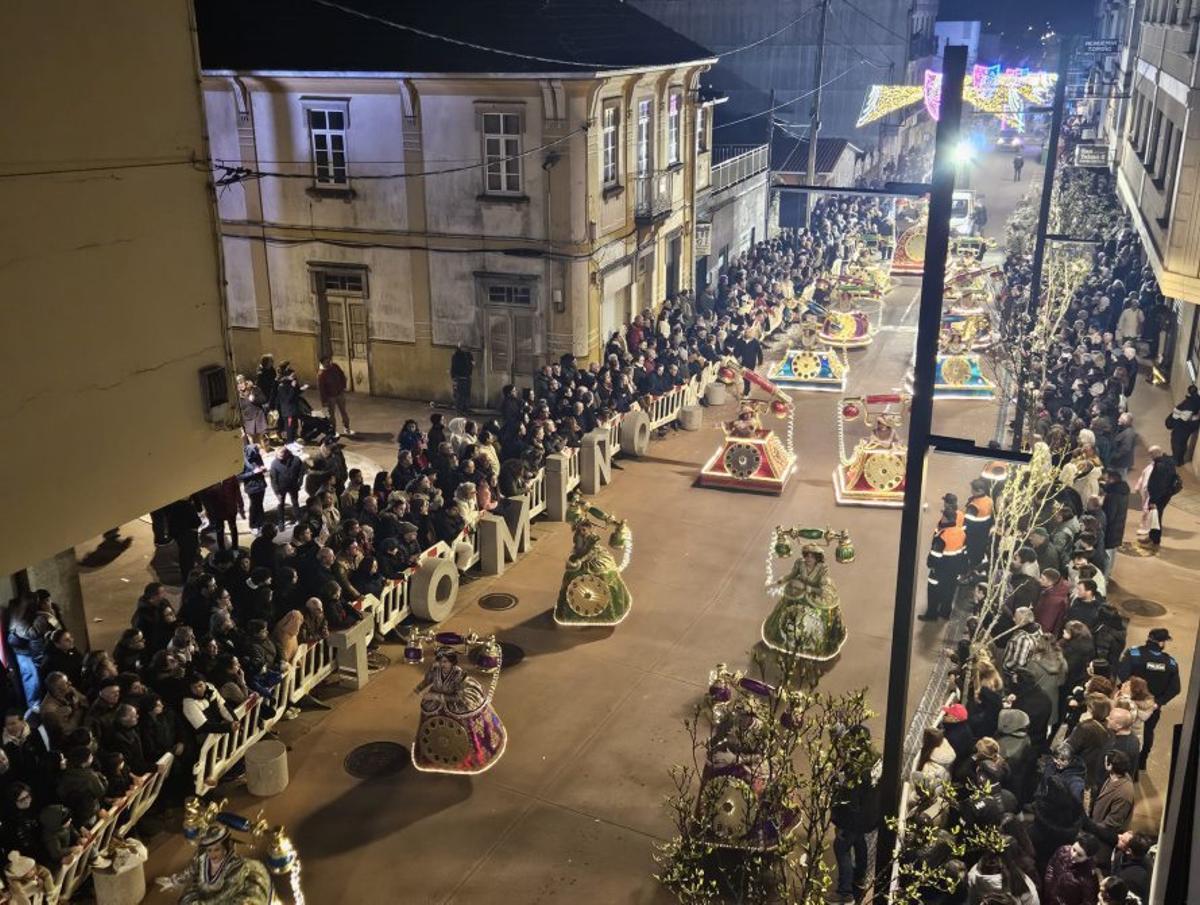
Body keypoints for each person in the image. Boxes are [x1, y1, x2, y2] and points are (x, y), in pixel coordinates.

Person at [1117, 627, 1180, 773]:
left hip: (1129, 702)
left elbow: (1122, 673)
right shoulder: (1170, 663)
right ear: (1162, 643)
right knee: (1147, 732)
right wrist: (1159, 702)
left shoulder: (1134, 654)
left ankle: (1120, 762)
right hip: (1152, 707)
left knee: (1124, 729)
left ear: (1149, 638)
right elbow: (1175, 688)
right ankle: (1141, 763)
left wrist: (1128, 692)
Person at [830, 726, 880, 904]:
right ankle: (859, 878)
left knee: (842, 848)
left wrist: (840, 822)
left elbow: (849, 799)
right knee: (859, 841)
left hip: (854, 818)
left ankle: (845, 894)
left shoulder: (855, 769)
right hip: (870, 813)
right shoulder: (876, 757)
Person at [1083, 750, 1135, 866]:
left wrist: (1090, 827)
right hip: (1096, 828)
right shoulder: (1113, 777)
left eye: (1106, 761)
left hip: (1103, 839)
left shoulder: (1124, 792)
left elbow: (1113, 823)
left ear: (1110, 766)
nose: (1104, 762)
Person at [1043, 834, 1101, 905]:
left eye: (1079, 855)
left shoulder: (1089, 877)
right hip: (1049, 897)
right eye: (1073, 849)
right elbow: (1051, 866)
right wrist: (1048, 886)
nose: (1073, 855)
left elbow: (1088, 901)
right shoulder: (1063, 850)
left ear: (1088, 857)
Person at [1141, 445, 1180, 548]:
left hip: (1159, 497)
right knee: (1155, 517)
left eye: (1151, 454)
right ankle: (1152, 537)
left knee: (1155, 518)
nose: (1150, 457)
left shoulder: (1160, 466)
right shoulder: (1168, 461)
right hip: (1165, 495)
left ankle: (1154, 541)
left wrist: (1153, 500)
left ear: (1155, 454)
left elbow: (1159, 485)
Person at [268, 447, 306, 526]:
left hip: (293, 486)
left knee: (295, 502)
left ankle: (299, 519)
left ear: (287, 454)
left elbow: (301, 471)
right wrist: (277, 492)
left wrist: (300, 482)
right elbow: (273, 479)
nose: (280, 458)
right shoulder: (275, 463)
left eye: (282, 456)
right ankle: (281, 522)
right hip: (281, 488)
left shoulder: (296, 460)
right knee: (281, 504)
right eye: (279, 456)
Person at [317, 354, 352, 436]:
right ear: (322, 363)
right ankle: (333, 430)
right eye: (326, 362)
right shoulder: (321, 374)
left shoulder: (335, 367)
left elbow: (342, 375)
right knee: (331, 415)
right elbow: (321, 389)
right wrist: (324, 401)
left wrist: (343, 386)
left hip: (339, 393)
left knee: (344, 412)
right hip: (330, 397)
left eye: (329, 361)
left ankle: (346, 427)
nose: (329, 363)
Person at [1166, 383, 1200, 465]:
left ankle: (1176, 460)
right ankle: (1179, 459)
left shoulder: (1191, 402)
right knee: (1182, 443)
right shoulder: (1196, 400)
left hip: (1183, 426)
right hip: (1189, 426)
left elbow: (1184, 417)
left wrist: (1173, 421)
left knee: (1177, 442)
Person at [450, 343, 475, 413]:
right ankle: (460, 410)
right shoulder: (456, 355)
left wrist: (470, 368)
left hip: (467, 377)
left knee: (466, 394)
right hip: (459, 377)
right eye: (463, 347)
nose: (465, 349)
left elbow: (472, 363)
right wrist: (454, 377)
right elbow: (454, 367)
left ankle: (466, 408)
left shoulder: (468, 355)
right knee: (459, 395)